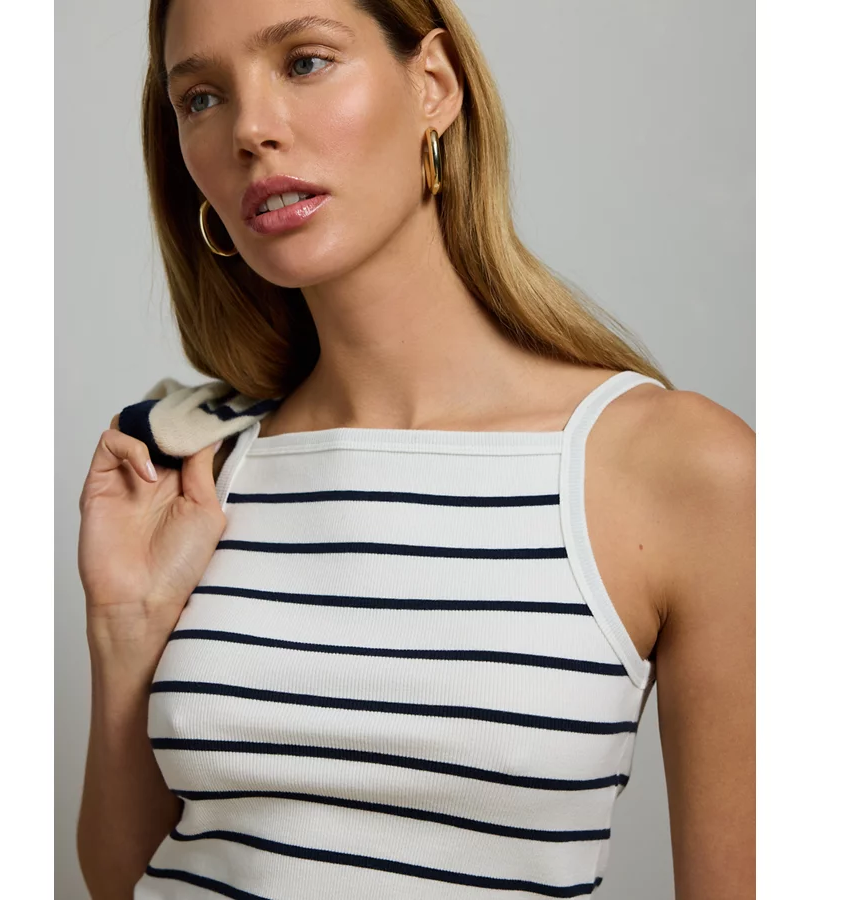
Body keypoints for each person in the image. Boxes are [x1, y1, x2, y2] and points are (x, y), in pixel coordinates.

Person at [76, 1, 755, 898]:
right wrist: (124, 624)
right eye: (201, 98)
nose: (250, 130)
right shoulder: (197, 471)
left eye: (305, 62)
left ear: (432, 84)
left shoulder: (678, 468)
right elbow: (121, 882)